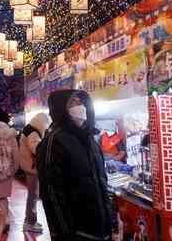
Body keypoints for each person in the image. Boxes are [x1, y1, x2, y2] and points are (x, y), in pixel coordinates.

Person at [36, 89, 114, 241]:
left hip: (101, 229)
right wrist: (63, 233)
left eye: (81, 102)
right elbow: (51, 193)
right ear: (60, 108)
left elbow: (101, 180)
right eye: (73, 103)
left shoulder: (91, 139)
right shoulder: (53, 141)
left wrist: (110, 220)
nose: (80, 106)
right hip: (76, 232)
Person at [19, 112, 50, 233]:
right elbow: (36, 149)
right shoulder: (33, 133)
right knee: (33, 195)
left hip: (28, 166)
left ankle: (31, 220)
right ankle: (29, 222)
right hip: (32, 168)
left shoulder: (29, 130)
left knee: (33, 195)